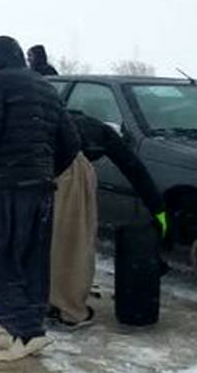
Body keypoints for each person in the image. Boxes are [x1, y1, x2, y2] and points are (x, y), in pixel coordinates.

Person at [0, 35, 80, 362]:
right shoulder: (45, 86)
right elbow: (71, 142)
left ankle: (27, 331)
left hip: (2, 189)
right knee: (29, 263)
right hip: (39, 191)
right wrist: (43, 171)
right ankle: (28, 326)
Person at [49, 112, 167, 328]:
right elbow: (134, 169)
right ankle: (69, 310)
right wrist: (158, 210)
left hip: (30, 167)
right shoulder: (101, 134)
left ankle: (39, 299)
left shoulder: (56, 121)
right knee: (72, 244)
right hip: (67, 168)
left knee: (43, 238)